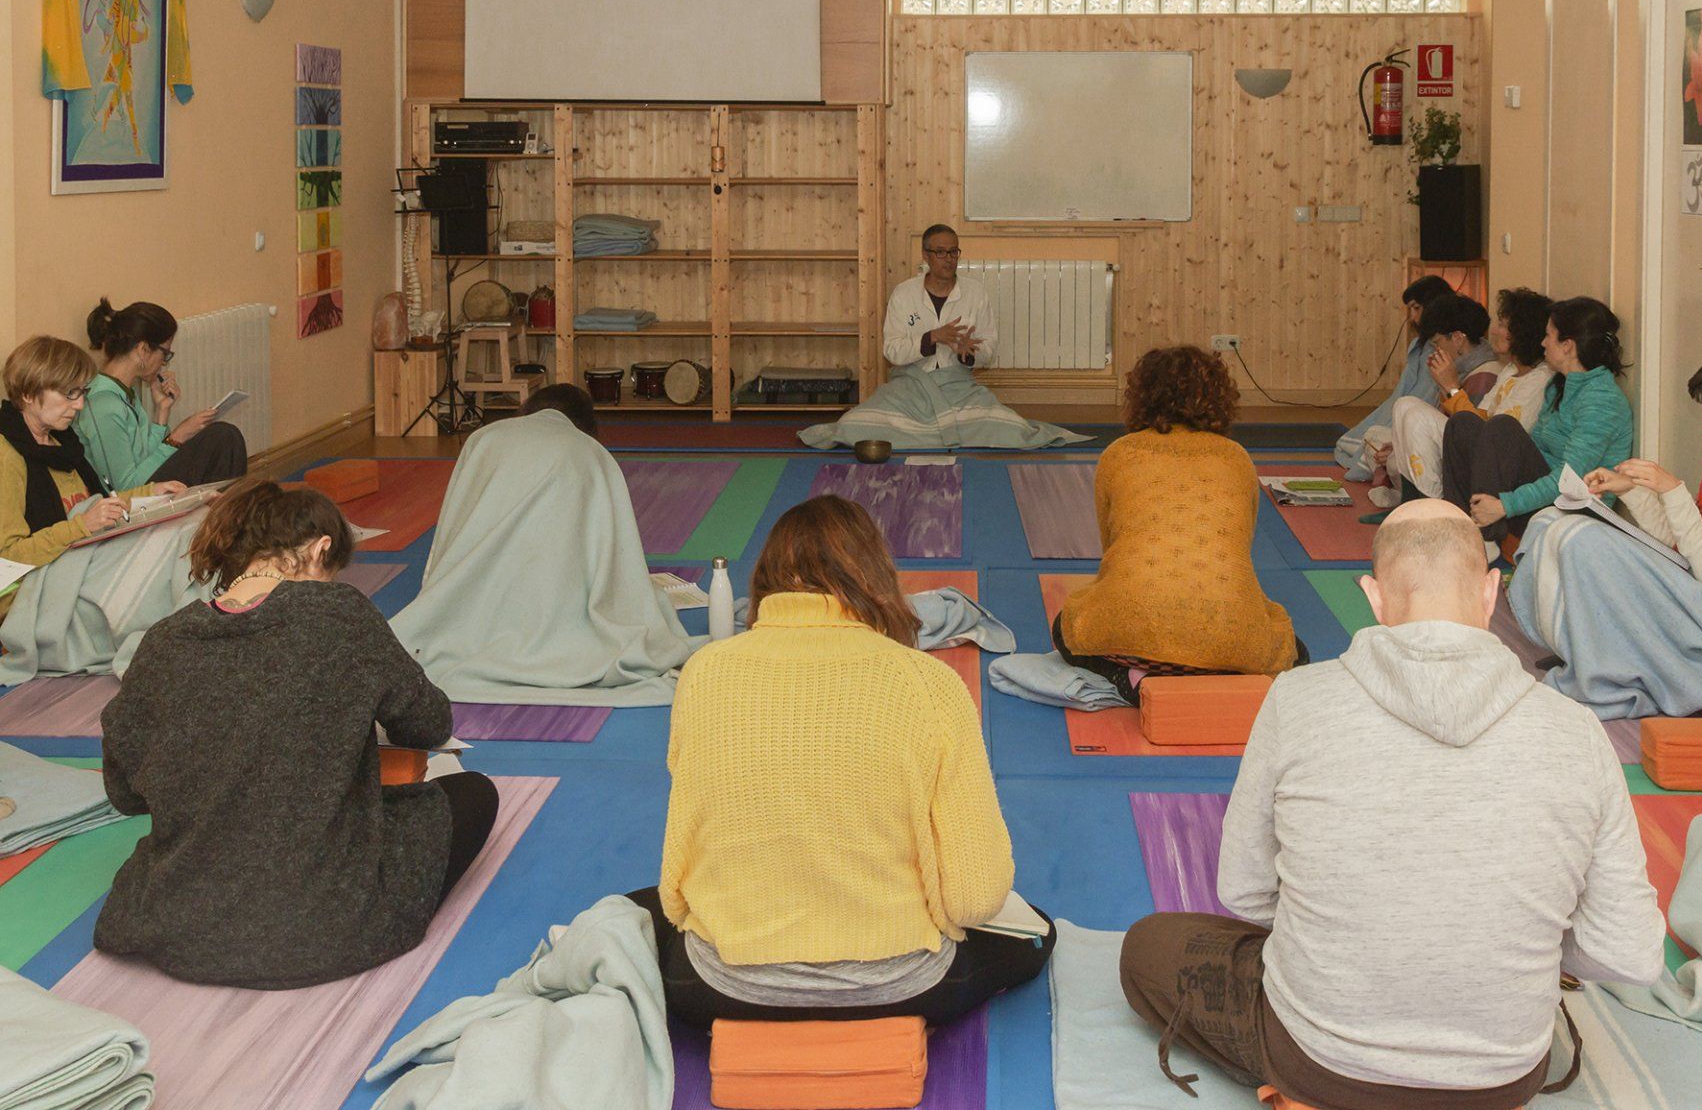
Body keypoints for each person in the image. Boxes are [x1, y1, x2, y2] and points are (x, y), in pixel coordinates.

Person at [1118, 500, 1665, 1106]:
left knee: (1148, 947)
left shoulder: (1296, 699)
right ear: (1490, 592)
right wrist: (1502, 939)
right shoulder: (1577, 731)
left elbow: (1243, 892)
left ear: (1373, 597)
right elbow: (1629, 952)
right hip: (1499, 1082)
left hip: (1320, 1063)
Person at [632, 495, 1052, 1026]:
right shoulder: (930, 683)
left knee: (638, 911)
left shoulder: (704, 673)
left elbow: (686, 864)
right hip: (900, 984)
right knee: (1037, 932)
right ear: (876, 579)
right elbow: (975, 898)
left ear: (766, 582)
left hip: (727, 986)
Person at [95, 480, 499, 989]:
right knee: (472, 794)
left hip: (184, 930)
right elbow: (430, 724)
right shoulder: (339, 614)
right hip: (322, 928)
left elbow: (126, 793)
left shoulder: (163, 641)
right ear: (319, 550)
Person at [1510, 345, 1702, 719]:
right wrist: (1631, 489)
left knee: (1584, 540)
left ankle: (1598, 666)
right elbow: (1686, 547)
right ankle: (1578, 650)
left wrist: (1673, 491)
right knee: (1551, 520)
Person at [391, 384, 697, 706]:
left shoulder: (483, 438)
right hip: (555, 593)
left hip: (476, 595)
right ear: (586, 426)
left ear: (527, 409)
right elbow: (611, 544)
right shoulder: (590, 452)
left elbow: (454, 522)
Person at [1053, 346, 1299, 703]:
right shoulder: (1238, 459)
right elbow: (1238, 547)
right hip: (1229, 638)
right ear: (1220, 399)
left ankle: (1130, 678)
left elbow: (1112, 547)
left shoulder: (1118, 454)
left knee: (1066, 630)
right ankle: (1223, 677)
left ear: (1141, 397)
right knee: (1292, 649)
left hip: (1131, 635)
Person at [799, 224, 1091, 450]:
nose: (948, 259)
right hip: (910, 387)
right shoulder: (904, 293)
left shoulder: (975, 293)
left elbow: (989, 349)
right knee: (854, 424)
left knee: (1010, 427)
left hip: (958, 387)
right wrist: (931, 337)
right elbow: (892, 351)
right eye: (940, 252)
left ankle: (921, 434)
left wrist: (968, 354)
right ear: (926, 255)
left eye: (953, 252)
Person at [0, 336, 185, 645]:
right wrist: (81, 527)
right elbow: (7, 560)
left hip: (78, 564)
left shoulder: (62, 442)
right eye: (70, 394)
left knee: (177, 536)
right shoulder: (7, 456)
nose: (80, 405)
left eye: (82, 392)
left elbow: (99, 502)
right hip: (33, 591)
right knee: (156, 581)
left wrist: (152, 492)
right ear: (29, 393)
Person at [1441, 295, 1633, 548]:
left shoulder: (1602, 400)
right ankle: (1459, 527)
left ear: (1567, 345)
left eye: (1549, 335)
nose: (1543, 343)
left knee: (1502, 426)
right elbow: (1534, 448)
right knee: (1463, 424)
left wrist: (1505, 505)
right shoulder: (1559, 385)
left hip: (1575, 507)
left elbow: (1569, 480)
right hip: (1545, 492)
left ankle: (1485, 538)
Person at [1374, 287, 1553, 509]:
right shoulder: (1510, 370)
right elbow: (1480, 416)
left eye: (1502, 325)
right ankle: (1412, 503)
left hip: (1498, 461)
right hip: (1478, 444)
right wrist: (1448, 389)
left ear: (1522, 332)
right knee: (1404, 406)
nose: (1494, 331)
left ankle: (1432, 506)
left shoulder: (1539, 379)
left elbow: (1494, 434)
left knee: (1414, 421)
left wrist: (1452, 388)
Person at [73, 299, 248, 490]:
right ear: (143, 349)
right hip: (127, 501)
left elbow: (145, 458)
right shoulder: (103, 402)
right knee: (223, 436)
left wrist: (162, 412)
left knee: (223, 438)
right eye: (165, 354)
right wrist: (179, 436)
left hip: (143, 489)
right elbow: (125, 488)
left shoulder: (124, 391)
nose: (164, 363)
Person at [1332, 274, 1457, 480]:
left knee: (1375, 443)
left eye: (1416, 308)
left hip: (1421, 425)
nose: (1413, 318)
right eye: (1410, 310)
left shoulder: (1445, 352)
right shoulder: (1419, 346)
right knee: (1351, 442)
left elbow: (1425, 401)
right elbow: (1400, 395)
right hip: (1402, 413)